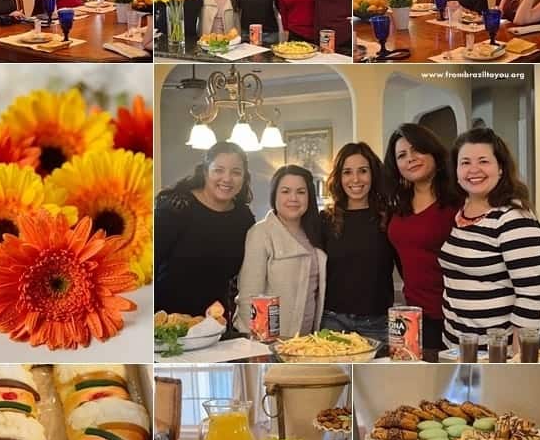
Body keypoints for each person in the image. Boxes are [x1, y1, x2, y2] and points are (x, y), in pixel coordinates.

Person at [439, 128, 540, 350]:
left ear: (501, 168)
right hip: (456, 345)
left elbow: (531, 295)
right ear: (456, 171)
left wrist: (519, 359)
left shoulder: (514, 217)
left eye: (483, 161)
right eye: (465, 162)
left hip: (498, 351)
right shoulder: (461, 211)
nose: (473, 169)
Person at [155, 142, 255, 316]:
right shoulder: (177, 207)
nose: (227, 178)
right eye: (219, 170)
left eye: (236, 172)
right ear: (205, 172)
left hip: (216, 323)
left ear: (244, 177)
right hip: (167, 322)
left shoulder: (243, 217)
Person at [384, 124, 460, 350]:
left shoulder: (457, 202)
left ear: (433, 152)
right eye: (402, 155)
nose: (410, 159)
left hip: (450, 315)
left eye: (417, 150)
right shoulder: (397, 207)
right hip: (412, 314)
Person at [236, 165, 326, 338]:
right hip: (271, 341)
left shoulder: (316, 232)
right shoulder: (260, 233)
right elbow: (249, 296)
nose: (293, 198)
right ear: (274, 195)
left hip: (309, 340)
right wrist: (253, 342)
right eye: (285, 191)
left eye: (301, 192)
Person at [320, 143, 394, 343]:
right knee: (335, 375)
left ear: (373, 174)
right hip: (332, 321)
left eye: (363, 171)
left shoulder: (389, 217)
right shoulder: (325, 219)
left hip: (377, 323)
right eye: (347, 172)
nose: (355, 179)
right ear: (339, 177)